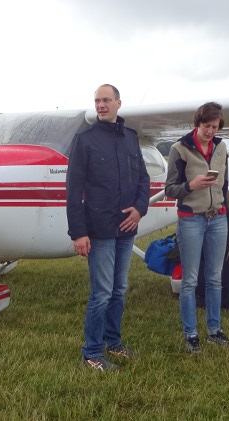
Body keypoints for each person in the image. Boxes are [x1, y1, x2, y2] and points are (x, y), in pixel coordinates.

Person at [66, 84, 150, 372]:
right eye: (97, 101)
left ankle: (113, 342)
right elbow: (73, 190)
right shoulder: (85, 140)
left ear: (118, 103)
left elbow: (143, 178)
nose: (101, 105)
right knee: (101, 293)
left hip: (126, 229)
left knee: (119, 289)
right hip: (99, 229)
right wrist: (78, 233)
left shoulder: (131, 138)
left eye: (106, 100)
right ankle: (91, 352)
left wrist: (140, 209)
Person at [165, 101, 229, 354]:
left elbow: (224, 184)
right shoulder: (179, 149)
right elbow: (169, 189)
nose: (210, 131)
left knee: (215, 277)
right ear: (197, 123)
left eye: (215, 127)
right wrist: (191, 186)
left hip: (218, 218)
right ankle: (191, 334)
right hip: (191, 219)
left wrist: (225, 209)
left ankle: (215, 331)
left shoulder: (221, 147)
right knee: (190, 279)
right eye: (207, 126)